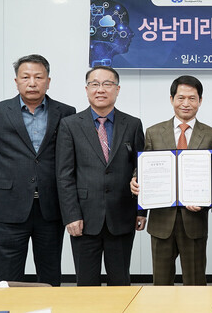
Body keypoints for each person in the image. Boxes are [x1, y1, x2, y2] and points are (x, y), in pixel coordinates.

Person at [0, 54, 75, 286]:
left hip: (51, 206)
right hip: (9, 206)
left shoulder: (66, 112)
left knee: (50, 274)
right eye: (26, 77)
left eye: (38, 77)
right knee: (8, 275)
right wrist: (9, 181)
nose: (32, 83)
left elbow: (69, 159)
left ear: (48, 81)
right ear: (16, 81)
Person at [56, 66, 145, 286]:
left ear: (117, 89)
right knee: (86, 285)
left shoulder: (132, 124)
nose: (101, 89)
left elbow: (141, 170)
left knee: (120, 283)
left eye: (107, 84)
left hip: (122, 216)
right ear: (87, 89)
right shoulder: (70, 125)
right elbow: (64, 175)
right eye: (94, 84)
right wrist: (71, 215)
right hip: (84, 219)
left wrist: (141, 211)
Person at [130, 75, 212, 285]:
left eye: (192, 98)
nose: (186, 103)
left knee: (195, 284)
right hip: (161, 221)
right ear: (171, 99)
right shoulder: (153, 132)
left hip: (195, 221)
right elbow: (143, 169)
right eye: (181, 98)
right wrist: (135, 180)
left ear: (200, 101)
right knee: (161, 284)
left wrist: (205, 202)